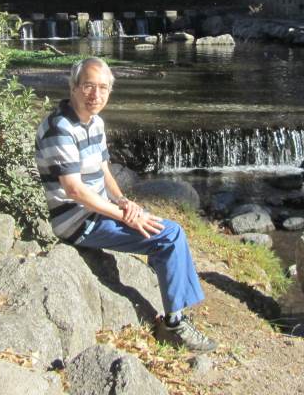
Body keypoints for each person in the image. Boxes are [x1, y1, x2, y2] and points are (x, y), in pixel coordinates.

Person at [35, 57, 216, 352]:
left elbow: (104, 170)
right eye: (89, 86)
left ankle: (173, 303)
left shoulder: (94, 123)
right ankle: (174, 324)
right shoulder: (60, 129)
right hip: (78, 221)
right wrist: (124, 215)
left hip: (100, 209)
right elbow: (75, 190)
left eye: (103, 88)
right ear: (74, 87)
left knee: (163, 231)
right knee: (170, 236)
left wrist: (122, 200)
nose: (96, 95)